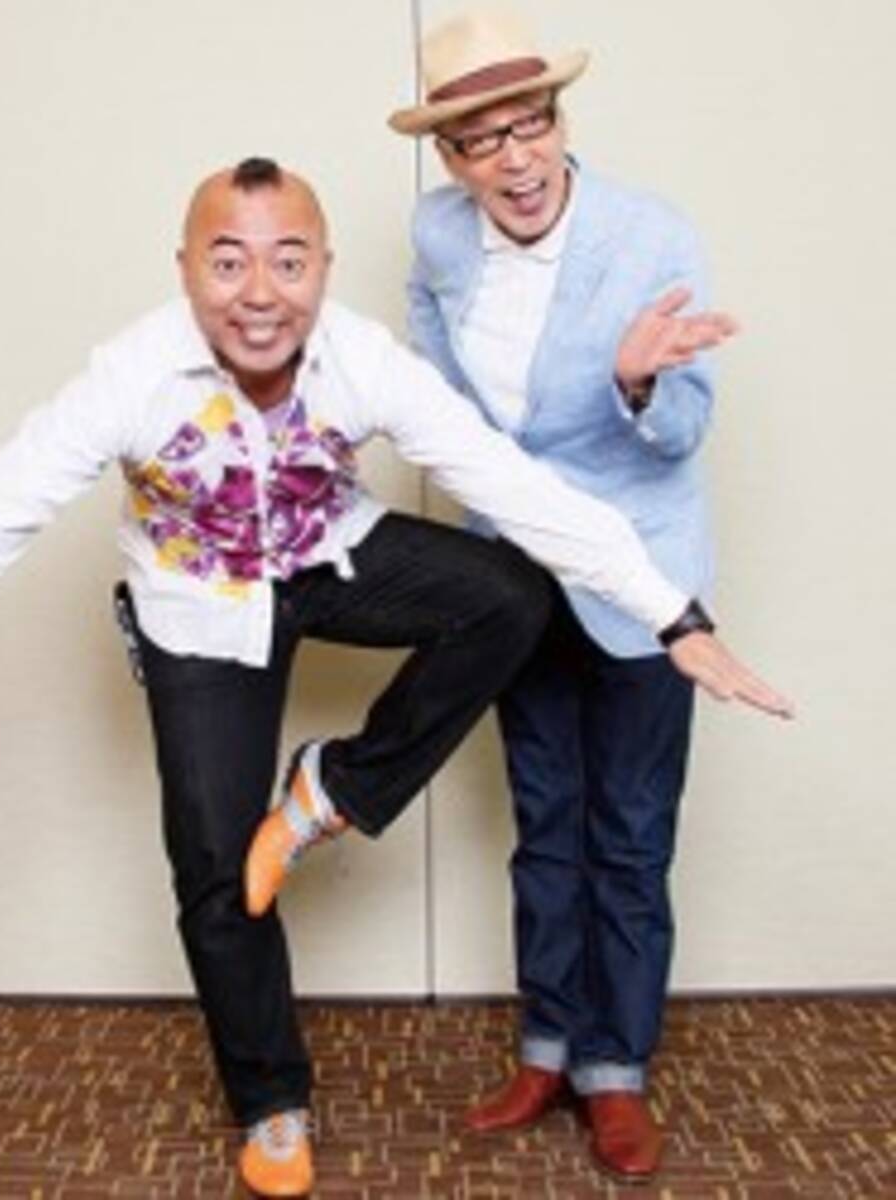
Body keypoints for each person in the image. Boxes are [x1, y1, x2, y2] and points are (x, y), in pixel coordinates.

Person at [0, 158, 789, 1198]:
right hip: (199, 606)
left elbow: (512, 485)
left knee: (510, 594)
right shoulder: (130, 377)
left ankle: (332, 788)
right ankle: (273, 1103)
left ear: (323, 268)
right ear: (185, 269)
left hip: (329, 560)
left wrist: (669, 613)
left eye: (288, 261)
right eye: (228, 262)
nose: (260, 293)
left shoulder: (361, 358)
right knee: (216, 867)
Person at [245, 8, 772, 1185]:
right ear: (452, 158)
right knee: (544, 820)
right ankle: (548, 1049)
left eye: (530, 126)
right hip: (516, 580)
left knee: (628, 834)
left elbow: (687, 429)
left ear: (559, 122)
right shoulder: (439, 236)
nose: (515, 158)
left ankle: (615, 1069)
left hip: (640, 573)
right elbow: (441, 401)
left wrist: (639, 383)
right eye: (483, 141)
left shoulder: (649, 234)